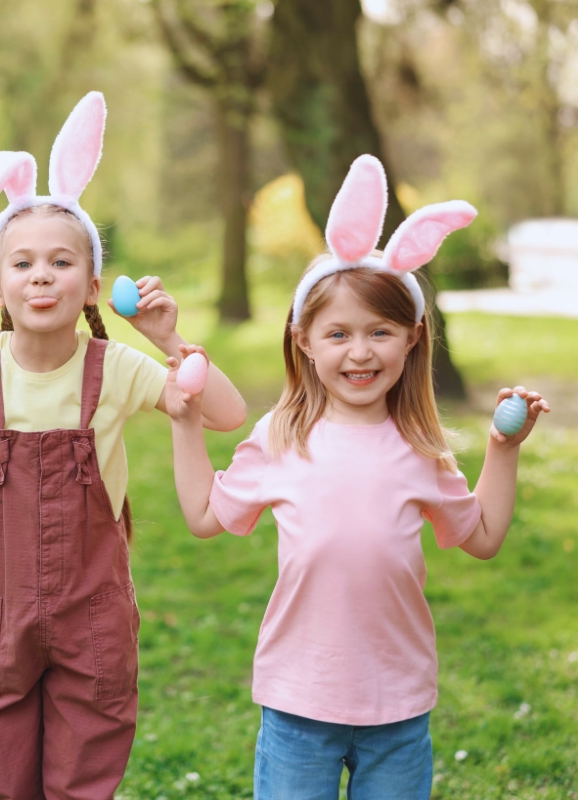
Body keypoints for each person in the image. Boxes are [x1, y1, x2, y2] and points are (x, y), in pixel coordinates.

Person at [0, 92, 246, 799]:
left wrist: (168, 341)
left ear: (93, 283)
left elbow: (223, 412)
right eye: (24, 263)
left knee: (86, 763)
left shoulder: (117, 367)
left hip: (92, 607)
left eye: (62, 262)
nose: (42, 275)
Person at [164, 155, 551, 799]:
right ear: (305, 341)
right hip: (297, 704)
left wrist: (502, 449)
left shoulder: (422, 449)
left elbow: (480, 536)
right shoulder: (280, 438)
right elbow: (207, 518)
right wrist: (184, 423)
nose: (361, 351)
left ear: (413, 338)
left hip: (397, 707)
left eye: (380, 331)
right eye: (338, 333)